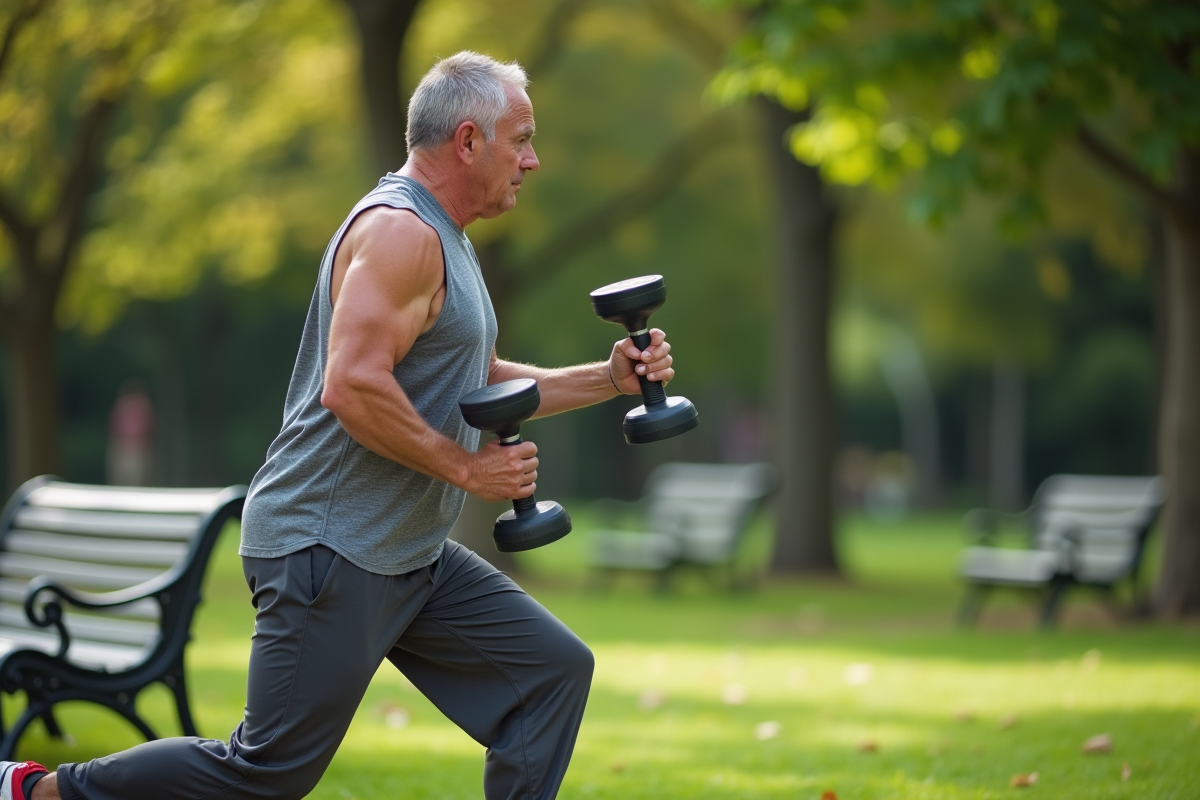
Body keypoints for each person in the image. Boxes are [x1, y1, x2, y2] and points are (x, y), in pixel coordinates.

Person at [5, 51, 676, 800]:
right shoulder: (401, 233)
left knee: (548, 673)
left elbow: (476, 378)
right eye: (520, 139)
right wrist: (466, 470)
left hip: (407, 552)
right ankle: (35, 792)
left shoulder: (448, 238)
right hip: (328, 544)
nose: (533, 159)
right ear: (467, 141)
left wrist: (608, 379)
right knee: (266, 771)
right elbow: (351, 386)